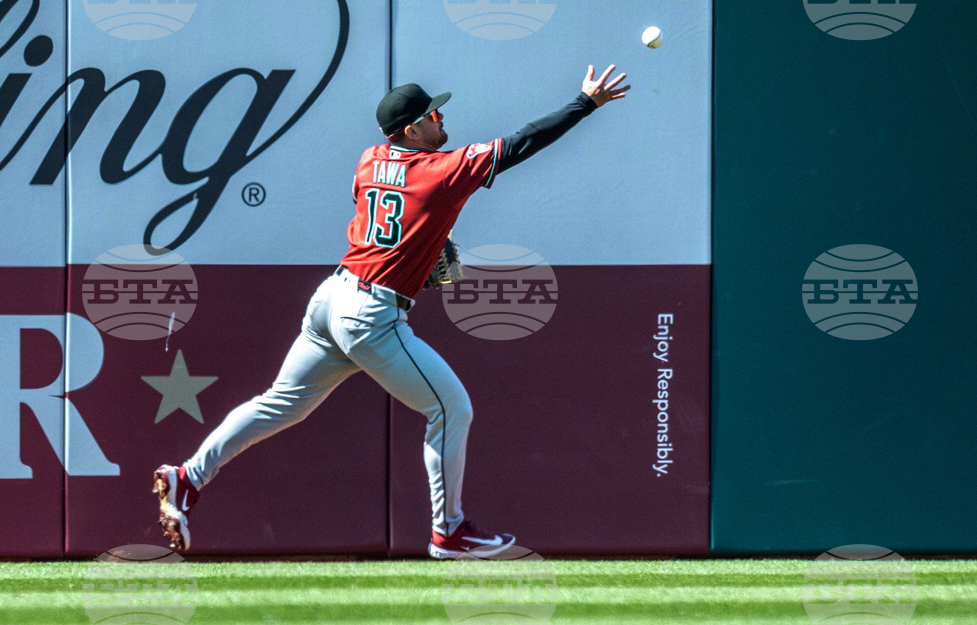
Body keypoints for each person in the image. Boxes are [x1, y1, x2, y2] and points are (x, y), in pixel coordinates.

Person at [154, 64, 630, 559]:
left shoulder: (368, 159)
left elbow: (386, 214)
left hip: (331, 298)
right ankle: (450, 531)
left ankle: (188, 475)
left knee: (279, 404)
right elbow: (520, 144)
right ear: (410, 129)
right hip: (370, 311)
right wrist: (585, 103)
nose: (441, 117)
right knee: (450, 408)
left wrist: (417, 256)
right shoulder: (444, 171)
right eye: (430, 114)